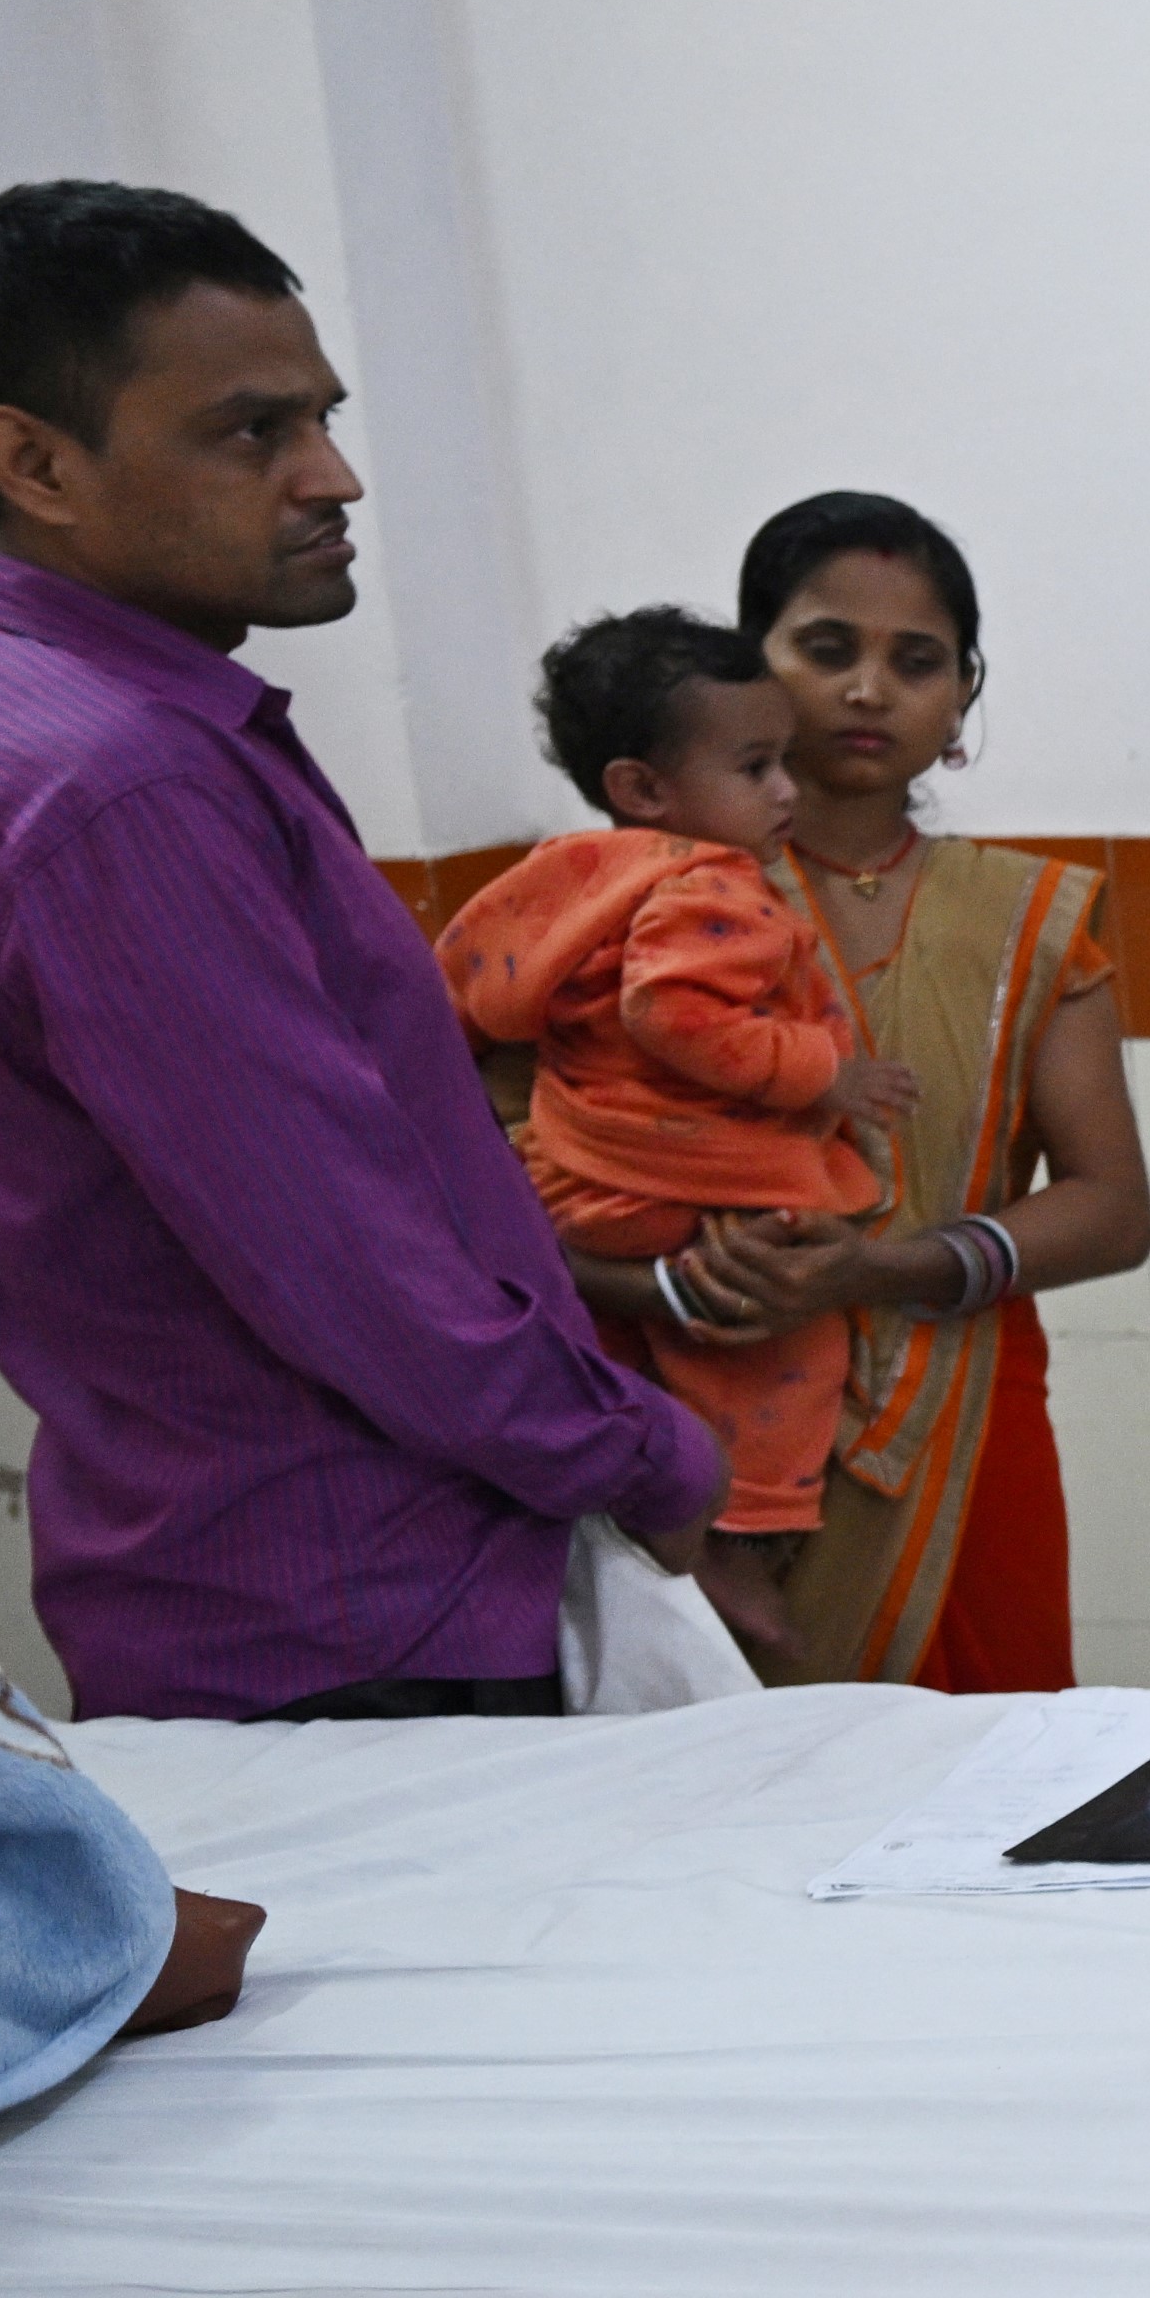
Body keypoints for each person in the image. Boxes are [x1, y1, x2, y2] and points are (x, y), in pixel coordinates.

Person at [0, 181, 717, 1723]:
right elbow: (346, 1252)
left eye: (323, 417)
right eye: (253, 434)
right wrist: (643, 1459)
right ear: (33, 462)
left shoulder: (23, 720)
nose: (335, 478)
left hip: (278, 1586)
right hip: (358, 1615)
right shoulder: (115, 778)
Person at [569, 495, 1150, 1689]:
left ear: (961, 704)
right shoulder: (620, 898)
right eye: (828, 649)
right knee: (741, 1804)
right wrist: (676, 1285)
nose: (870, 689)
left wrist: (879, 1269)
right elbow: (511, 1176)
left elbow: (1111, 1210)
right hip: (689, 1407)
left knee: (999, 1781)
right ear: (754, 670)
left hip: (964, 1414)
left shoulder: (1031, 921)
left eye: (917, 661)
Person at [441, 609, 917, 1664]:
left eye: (784, 762)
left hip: (573, 1185)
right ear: (643, 788)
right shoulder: (715, 885)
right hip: (688, 1190)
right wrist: (823, 1069)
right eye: (757, 767)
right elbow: (675, 1016)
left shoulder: (569, 876)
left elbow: (469, 993)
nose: (788, 792)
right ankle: (734, 1536)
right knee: (785, 1348)